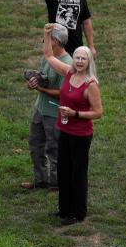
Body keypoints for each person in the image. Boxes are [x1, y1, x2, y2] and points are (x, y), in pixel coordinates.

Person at [43, 24, 103, 225]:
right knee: (64, 171)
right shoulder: (69, 73)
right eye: (76, 57)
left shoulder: (90, 85)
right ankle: (64, 209)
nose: (78, 61)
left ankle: (78, 213)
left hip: (80, 134)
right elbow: (50, 57)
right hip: (64, 130)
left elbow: (98, 113)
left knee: (78, 173)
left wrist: (75, 113)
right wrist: (46, 34)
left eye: (83, 59)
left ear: (88, 62)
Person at [24, 23, 72, 191]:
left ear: (56, 41)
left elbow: (62, 93)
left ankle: (56, 184)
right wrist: (34, 82)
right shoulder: (47, 57)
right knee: (35, 145)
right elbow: (42, 77)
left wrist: (40, 89)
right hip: (40, 109)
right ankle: (40, 180)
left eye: (47, 39)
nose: (44, 42)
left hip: (54, 113)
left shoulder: (67, 64)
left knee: (54, 149)